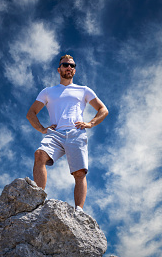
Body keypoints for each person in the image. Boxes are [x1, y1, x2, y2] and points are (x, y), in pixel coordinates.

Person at [26, 54, 108, 212]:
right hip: (55, 134)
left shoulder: (83, 90)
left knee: (79, 173)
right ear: (59, 69)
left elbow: (103, 109)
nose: (69, 67)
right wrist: (43, 129)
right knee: (39, 155)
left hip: (76, 133)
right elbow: (31, 114)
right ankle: (38, 202)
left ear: (75, 71)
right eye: (65, 65)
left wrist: (90, 123)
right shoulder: (48, 92)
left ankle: (79, 211)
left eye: (72, 65)